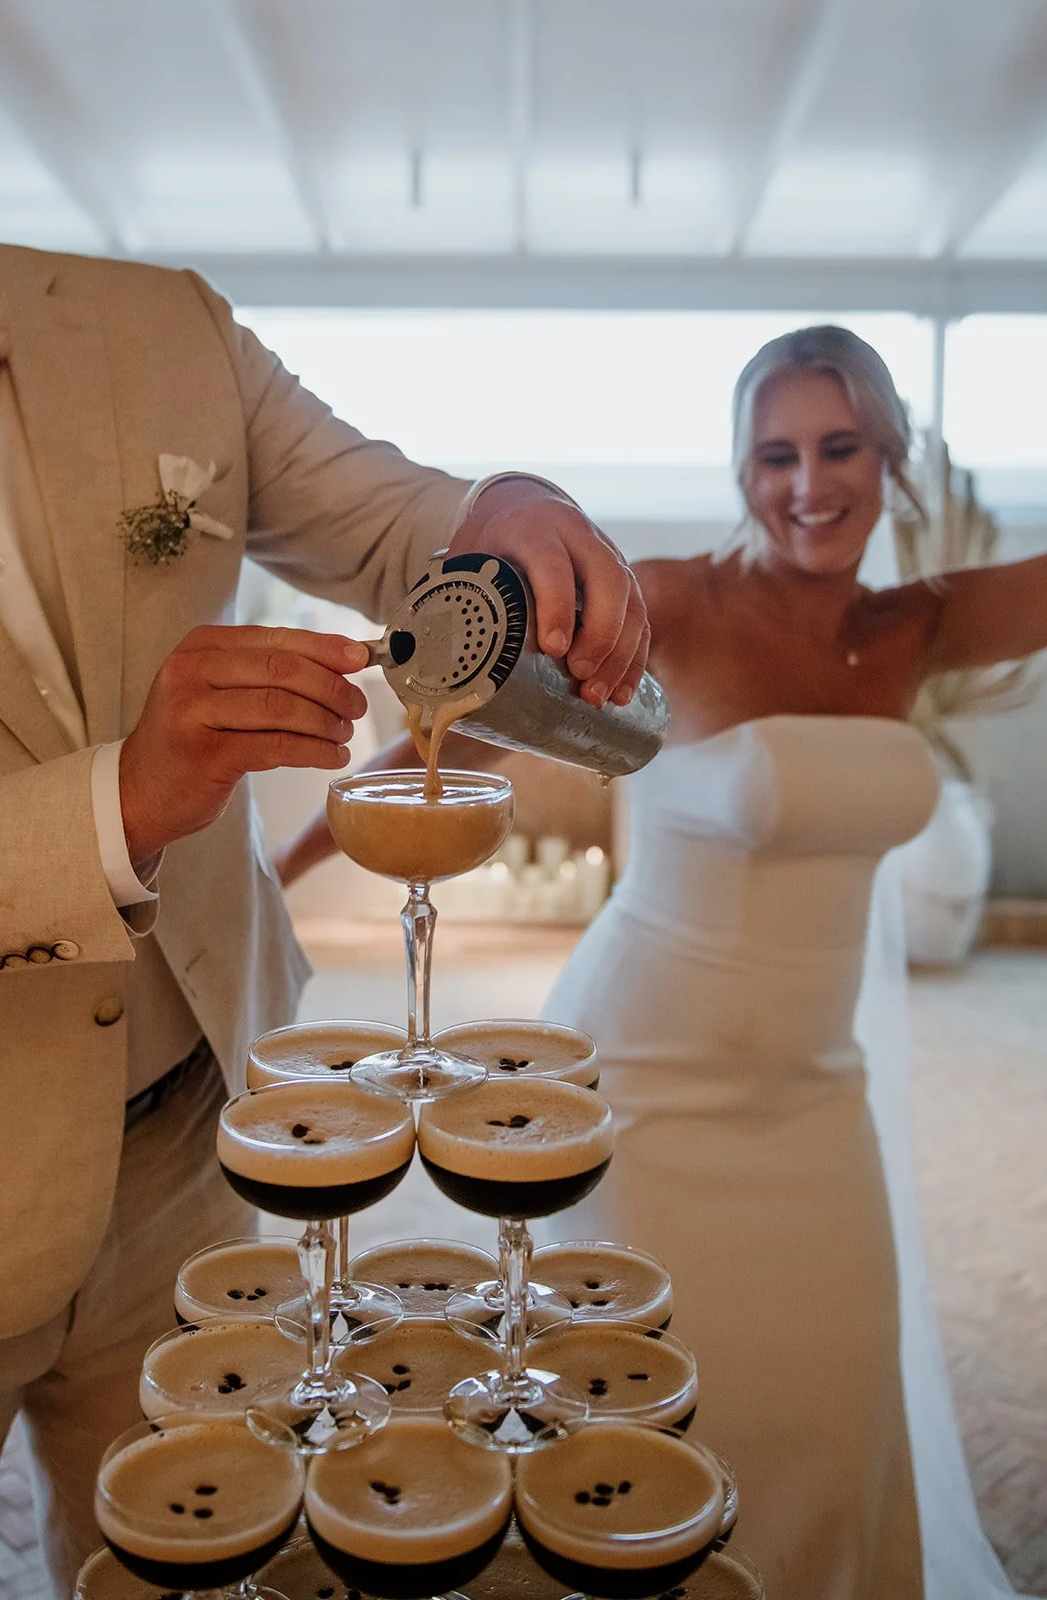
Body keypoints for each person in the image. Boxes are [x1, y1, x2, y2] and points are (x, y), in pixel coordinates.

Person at [0, 8, 650, 1598]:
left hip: (214, 1149)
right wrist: (117, 803)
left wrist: (507, 507)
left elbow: (383, 510)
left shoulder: (157, 326)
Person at [277, 325, 1047, 1600]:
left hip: (817, 1096)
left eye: (840, 446)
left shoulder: (919, 629)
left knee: (832, 1394)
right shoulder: (673, 602)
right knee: (639, 1409)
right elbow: (466, 728)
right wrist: (282, 869)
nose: (809, 484)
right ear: (739, 469)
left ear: (893, 458)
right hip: (649, 1077)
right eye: (775, 453)